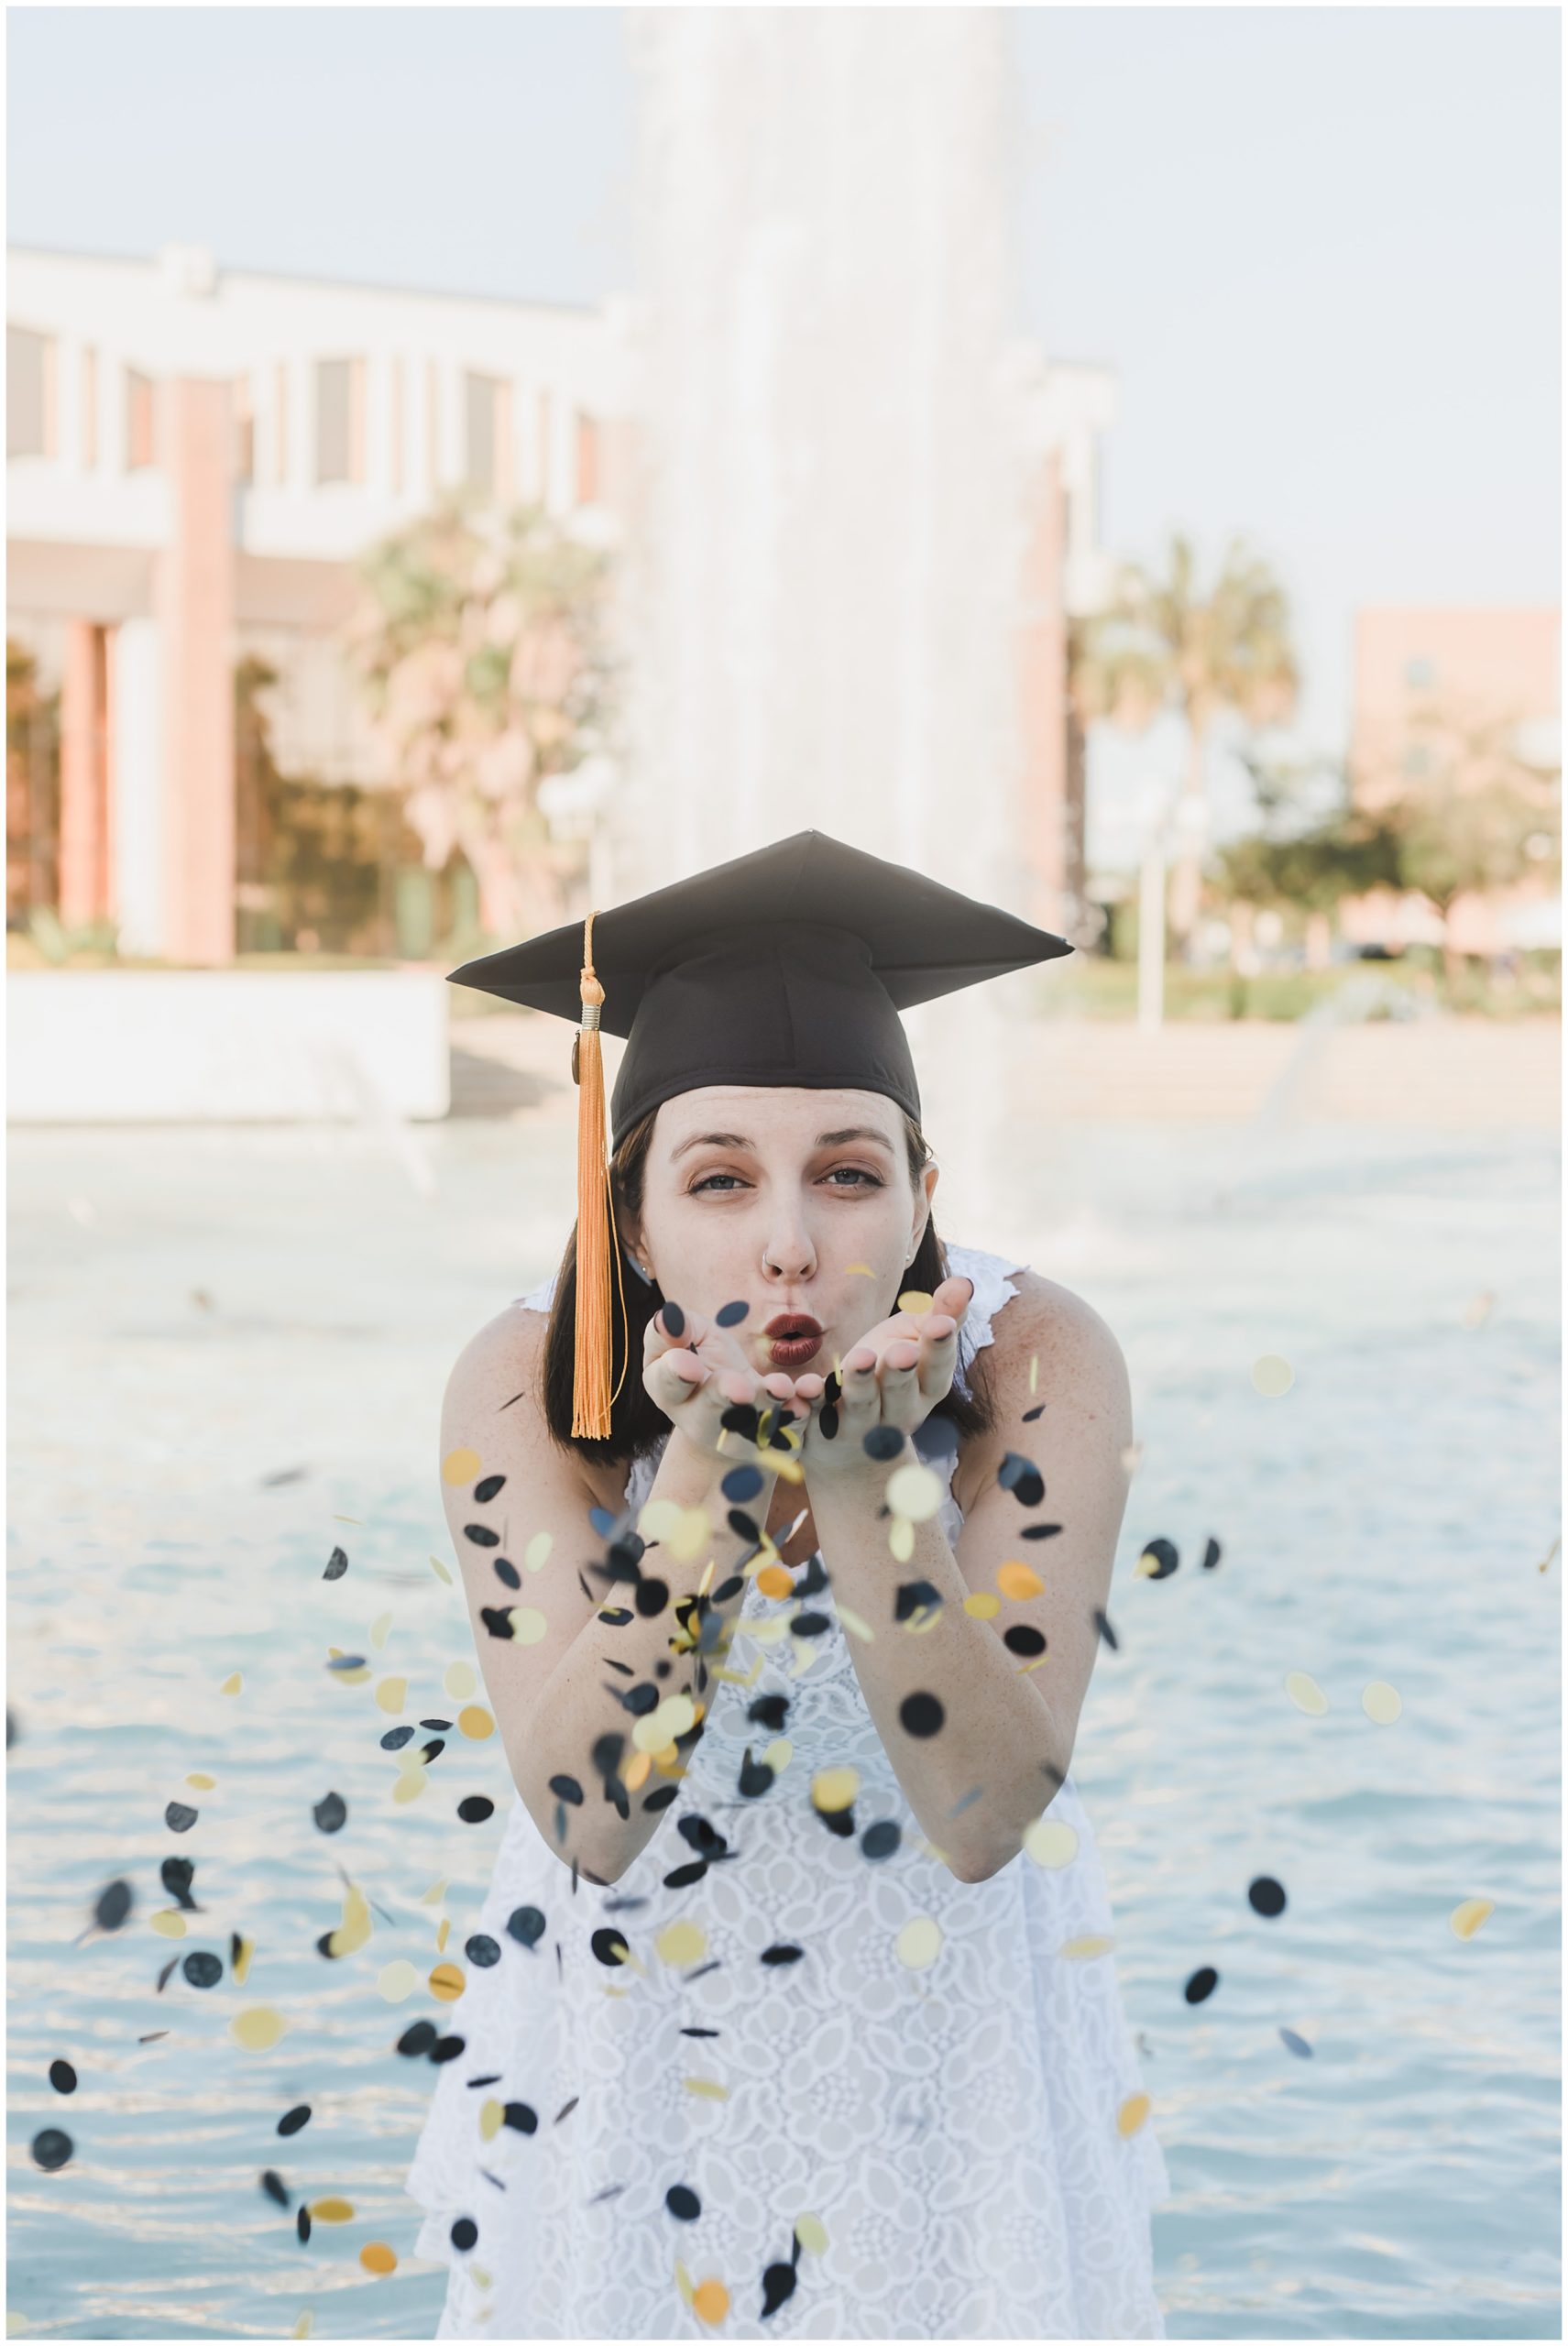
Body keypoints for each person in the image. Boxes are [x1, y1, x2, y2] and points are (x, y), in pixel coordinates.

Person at [406, 831, 1170, 2339]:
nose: (788, 1243)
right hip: (638, 2068)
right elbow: (591, 1818)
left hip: (955, 2067)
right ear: (632, 1218)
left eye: (846, 1174)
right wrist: (706, 1476)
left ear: (920, 1192)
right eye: (719, 1179)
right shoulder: (517, 1386)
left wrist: (868, 1486)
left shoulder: (1041, 1363)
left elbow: (987, 1812)